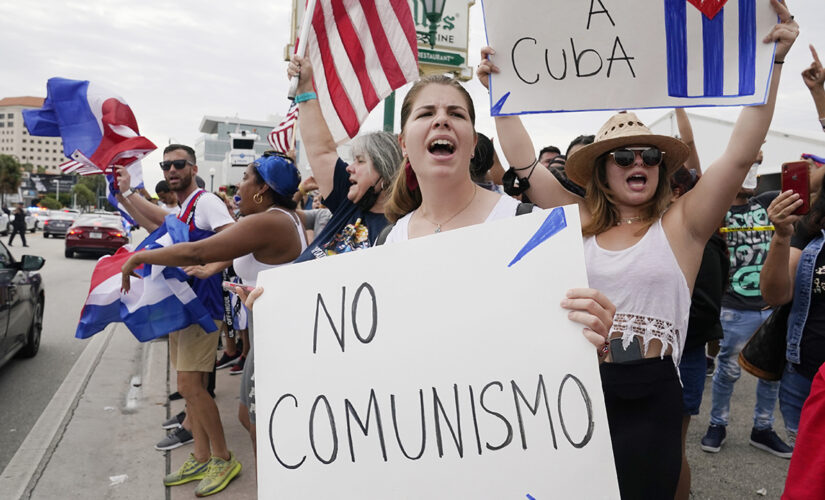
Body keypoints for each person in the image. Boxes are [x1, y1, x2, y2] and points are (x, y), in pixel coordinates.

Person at [478, 2, 797, 495]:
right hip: (576, 389)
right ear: (603, 170)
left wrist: (773, 63)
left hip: (651, 396)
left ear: (660, 167)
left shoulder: (682, 226)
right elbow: (523, 166)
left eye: (649, 154)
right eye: (623, 155)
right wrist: (500, 91)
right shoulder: (577, 220)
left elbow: (738, 153)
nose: (638, 161)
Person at [122, 151, 306, 470]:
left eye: (246, 178)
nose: (239, 184)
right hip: (271, 335)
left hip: (281, 339)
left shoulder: (268, 221)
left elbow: (198, 250)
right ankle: (222, 462)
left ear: (263, 190)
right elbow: (231, 251)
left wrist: (140, 259)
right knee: (250, 415)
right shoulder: (280, 218)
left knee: (257, 418)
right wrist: (213, 269)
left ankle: (260, 476)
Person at [115, 144, 239, 497]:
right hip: (182, 309)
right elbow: (153, 219)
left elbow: (234, 238)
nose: (172, 170)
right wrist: (125, 192)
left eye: (179, 164)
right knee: (189, 388)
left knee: (191, 387)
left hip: (203, 309)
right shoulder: (184, 208)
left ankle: (223, 457)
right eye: (167, 165)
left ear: (193, 167)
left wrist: (213, 266)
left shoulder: (207, 202)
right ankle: (201, 455)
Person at [699, 151, 793, 458]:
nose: (752, 171)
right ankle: (718, 424)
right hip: (734, 307)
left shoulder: (767, 204)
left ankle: (763, 429)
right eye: (746, 165)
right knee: (727, 371)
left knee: (772, 372)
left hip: (770, 307)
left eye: (757, 166)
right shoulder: (716, 212)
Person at [287, 55, 403, 261]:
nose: (349, 168)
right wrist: (305, 88)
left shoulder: (401, 231)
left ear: (386, 172)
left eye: (360, 161)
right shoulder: (349, 201)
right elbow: (321, 151)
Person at [760, 180, 825, 445]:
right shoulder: (811, 227)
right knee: (807, 477)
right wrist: (782, 235)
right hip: (805, 380)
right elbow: (775, 295)